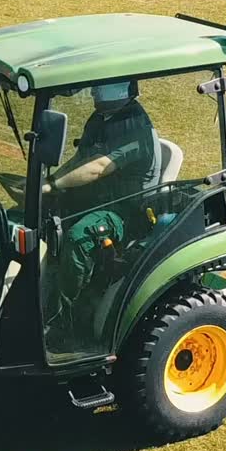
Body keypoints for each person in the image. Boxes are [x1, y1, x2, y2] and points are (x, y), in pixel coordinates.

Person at [42, 81, 161, 347]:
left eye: (100, 86)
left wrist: (54, 185)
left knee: (78, 237)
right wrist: (49, 182)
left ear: (120, 87)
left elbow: (97, 167)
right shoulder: (100, 118)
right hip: (94, 200)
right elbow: (80, 160)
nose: (94, 91)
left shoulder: (136, 128)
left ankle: (63, 321)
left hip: (125, 211)